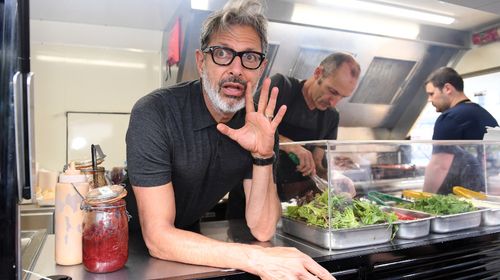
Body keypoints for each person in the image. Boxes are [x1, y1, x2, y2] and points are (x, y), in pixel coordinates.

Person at [125, 1, 333, 279]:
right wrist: (257, 258)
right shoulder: (155, 113)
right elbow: (157, 236)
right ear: (201, 62)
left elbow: (262, 229)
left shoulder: (258, 122)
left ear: (261, 68)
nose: (237, 69)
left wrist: (262, 155)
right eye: (222, 53)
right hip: (129, 250)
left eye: (249, 57)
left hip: (190, 245)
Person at [422, 67, 498, 194]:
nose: (429, 100)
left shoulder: (449, 118)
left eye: (431, 94)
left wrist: (423, 199)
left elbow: (439, 166)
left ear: (447, 89)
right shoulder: (486, 116)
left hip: (456, 200)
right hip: (481, 197)